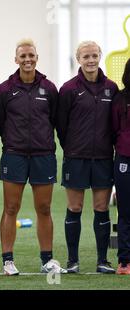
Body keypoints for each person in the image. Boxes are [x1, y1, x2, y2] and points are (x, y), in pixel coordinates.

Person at [0, 39, 66, 275]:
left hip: (43, 156)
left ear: (37, 58)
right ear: (16, 59)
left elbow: (56, 120)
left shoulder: (49, 88)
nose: (27, 60)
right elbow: (0, 122)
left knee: (44, 208)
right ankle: (8, 261)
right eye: (23, 56)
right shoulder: (5, 89)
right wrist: (12, 143)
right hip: (14, 156)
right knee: (11, 207)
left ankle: (47, 260)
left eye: (31, 56)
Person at [57, 41, 118, 274]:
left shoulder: (111, 88)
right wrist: (73, 146)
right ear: (78, 59)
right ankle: (73, 261)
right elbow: (61, 126)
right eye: (86, 56)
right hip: (76, 158)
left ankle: (103, 261)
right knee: (75, 207)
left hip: (103, 158)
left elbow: (114, 126)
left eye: (94, 55)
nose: (90, 60)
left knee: (101, 208)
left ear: (100, 56)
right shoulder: (69, 89)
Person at [112, 58, 130, 275]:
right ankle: (125, 260)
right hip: (125, 160)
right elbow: (114, 129)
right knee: (126, 211)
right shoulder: (120, 99)